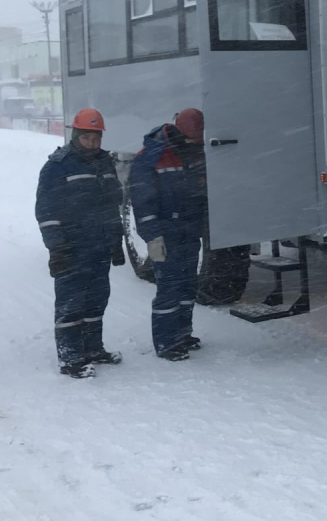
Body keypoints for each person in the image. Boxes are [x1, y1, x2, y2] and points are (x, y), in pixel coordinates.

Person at [35, 108, 126, 379]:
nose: (92, 142)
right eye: (86, 137)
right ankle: (71, 358)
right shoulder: (58, 166)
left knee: (97, 301)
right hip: (72, 248)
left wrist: (116, 241)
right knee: (71, 304)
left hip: (99, 246)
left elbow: (112, 206)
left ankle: (93, 349)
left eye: (95, 137)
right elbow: (46, 211)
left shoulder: (105, 164)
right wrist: (57, 248)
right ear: (76, 135)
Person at [130, 108, 207, 361]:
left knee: (187, 286)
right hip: (165, 233)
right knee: (169, 288)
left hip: (188, 231)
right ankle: (166, 342)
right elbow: (143, 203)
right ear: (178, 133)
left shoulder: (194, 151)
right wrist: (152, 237)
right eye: (192, 142)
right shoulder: (151, 158)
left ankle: (183, 334)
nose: (195, 147)